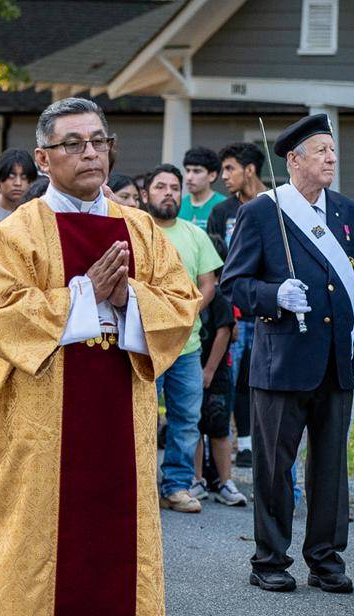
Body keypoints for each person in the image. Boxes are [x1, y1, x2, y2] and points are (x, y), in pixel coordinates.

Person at [0, 97, 200, 616]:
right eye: (73, 143)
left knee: (118, 567)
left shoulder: (140, 229)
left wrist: (129, 301)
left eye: (98, 140)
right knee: (35, 565)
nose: (90, 152)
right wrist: (85, 296)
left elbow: (182, 305)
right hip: (40, 442)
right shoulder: (18, 233)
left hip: (120, 436)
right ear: (43, 157)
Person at [220, 113, 354, 594]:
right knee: (273, 465)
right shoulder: (264, 211)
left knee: (330, 468)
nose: (332, 159)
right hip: (283, 362)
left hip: (336, 361)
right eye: (321, 151)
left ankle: (326, 559)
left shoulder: (350, 214)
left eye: (334, 151)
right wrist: (273, 297)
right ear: (293, 159)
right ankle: (270, 557)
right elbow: (235, 284)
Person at [141, 163, 221, 513]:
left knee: (186, 419)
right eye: (160, 187)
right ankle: (142, 488)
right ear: (147, 194)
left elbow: (209, 284)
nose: (169, 193)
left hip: (187, 348)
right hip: (143, 344)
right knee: (142, 418)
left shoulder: (194, 234)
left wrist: (184, 315)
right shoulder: (135, 230)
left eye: (174, 187)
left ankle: (176, 486)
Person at [208, 142, 267, 468]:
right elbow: (218, 266)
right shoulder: (222, 212)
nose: (225, 177)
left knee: (264, 381)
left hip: (269, 312)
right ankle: (237, 446)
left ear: (250, 169)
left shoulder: (277, 204)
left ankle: (259, 444)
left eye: (230, 169)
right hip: (233, 312)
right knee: (232, 381)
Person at [192, 234, 247, 506]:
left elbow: (227, 332)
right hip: (193, 366)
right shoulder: (193, 289)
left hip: (216, 372)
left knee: (219, 427)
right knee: (194, 425)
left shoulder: (220, 294)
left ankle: (225, 481)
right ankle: (197, 479)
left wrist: (210, 370)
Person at [0, 148, 38, 226]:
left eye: (24, 177)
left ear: (31, 181)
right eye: (11, 176)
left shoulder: (38, 214)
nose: (18, 183)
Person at [179, 146, 226, 230]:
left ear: (212, 175)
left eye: (196, 171)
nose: (189, 177)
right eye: (187, 171)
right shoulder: (178, 206)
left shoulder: (224, 206)